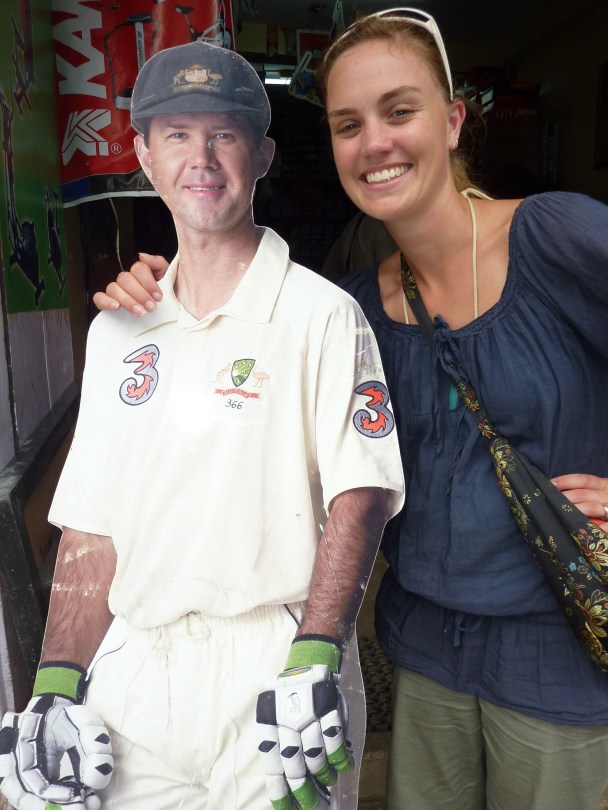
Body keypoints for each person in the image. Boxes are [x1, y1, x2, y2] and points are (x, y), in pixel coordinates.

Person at [91, 8, 608, 810]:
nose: (375, 143)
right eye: (347, 124)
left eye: (400, 111)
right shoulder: (353, 309)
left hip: (559, 653)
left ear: (453, 118)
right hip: (426, 654)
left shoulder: (554, 238)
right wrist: (164, 299)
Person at [0, 40, 405, 810]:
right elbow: (91, 527)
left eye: (224, 134)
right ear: (145, 158)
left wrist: (314, 654)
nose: (202, 158)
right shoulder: (119, 331)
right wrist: (54, 685)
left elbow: (360, 496)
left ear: (263, 156)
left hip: (272, 660)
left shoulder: (323, 314)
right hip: (136, 670)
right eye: (178, 135)